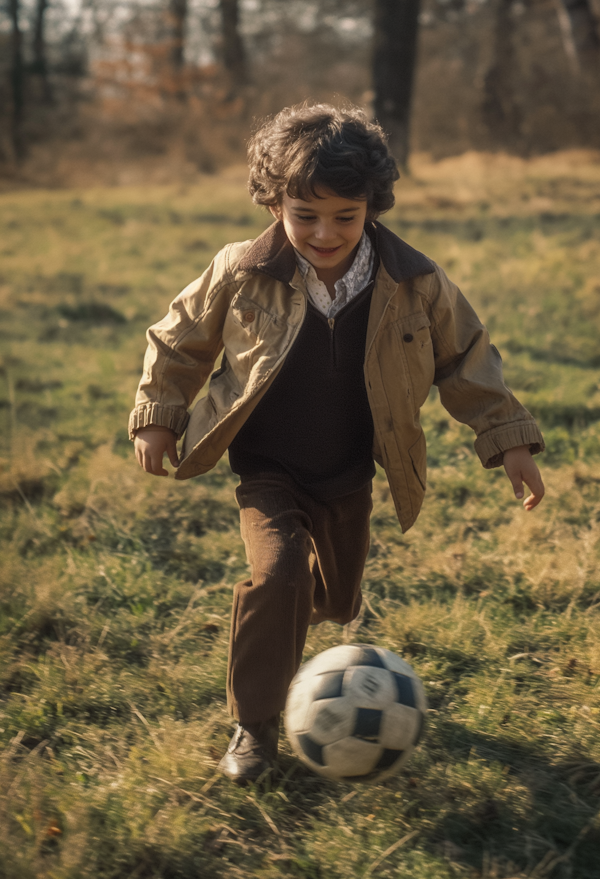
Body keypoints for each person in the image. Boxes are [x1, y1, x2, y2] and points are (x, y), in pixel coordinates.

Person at [129, 103, 545, 785]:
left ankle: (299, 623)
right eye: (305, 215)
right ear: (274, 203)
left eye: (344, 217)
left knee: (338, 600)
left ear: (373, 208)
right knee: (279, 575)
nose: (324, 234)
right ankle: (254, 727)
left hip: (349, 469)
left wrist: (510, 443)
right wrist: (158, 414)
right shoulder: (241, 271)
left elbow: (468, 359)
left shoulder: (416, 282)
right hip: (268, 465)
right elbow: (179, 339)